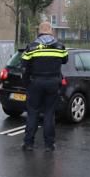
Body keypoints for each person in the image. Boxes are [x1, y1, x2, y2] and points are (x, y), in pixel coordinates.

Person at [21, 22, 68, 152]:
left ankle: (29, 143)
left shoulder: (31, 47)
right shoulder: (60, 46)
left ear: (39, 31)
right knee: (49, 114)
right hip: (53, 83)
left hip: (35, 83)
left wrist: (26, 84)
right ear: (51, 31)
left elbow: (24, 67)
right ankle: (49, 144)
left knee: (33, 113)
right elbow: (65, 60)